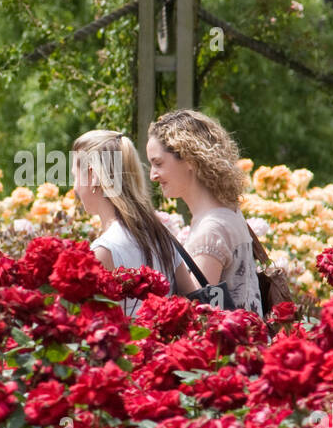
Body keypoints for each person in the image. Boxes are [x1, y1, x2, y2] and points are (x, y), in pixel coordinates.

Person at [146, 108, 264, 317]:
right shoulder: (227, 212)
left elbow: (193, 315)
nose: (153, 175)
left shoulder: (212, 229)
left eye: (158, 163)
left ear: (189, 159)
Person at [72, 129, 181, 313]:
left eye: (75, 176)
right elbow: (190, 297)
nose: (74, 188)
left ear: (93, 177)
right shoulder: (161, 236)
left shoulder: (104, 251)